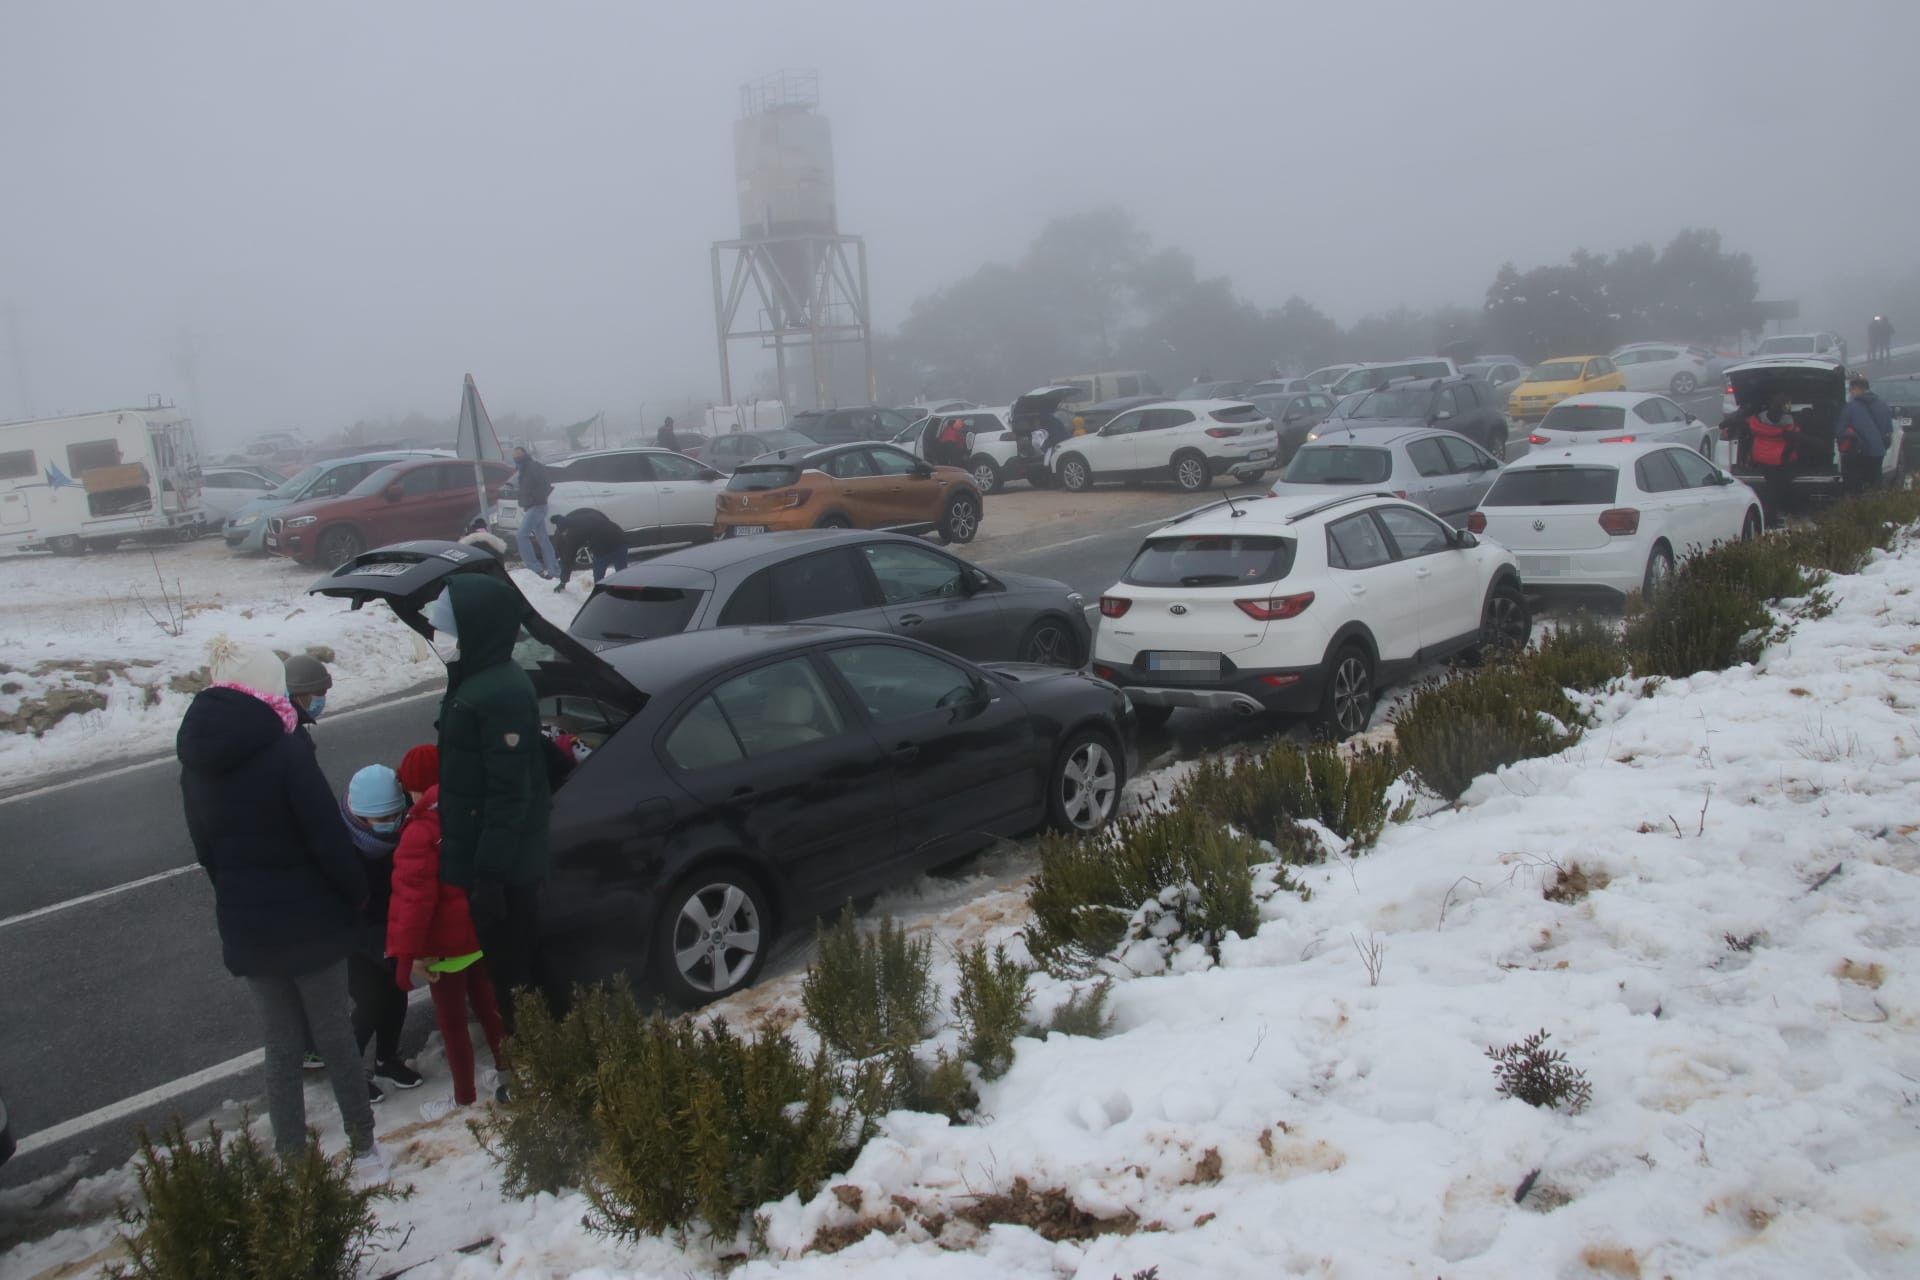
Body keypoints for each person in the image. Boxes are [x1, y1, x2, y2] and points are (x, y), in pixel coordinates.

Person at [177, 638, 386, 1179]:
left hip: (249, 926)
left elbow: (205, 851)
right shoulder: (285, 746)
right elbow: (324, 835)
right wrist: (356, 893)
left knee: (281, 1047)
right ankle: (364, 1148)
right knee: (334, 1036)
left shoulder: (195, 759)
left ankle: (294, 1161)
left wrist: (240, 893)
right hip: (310, 922)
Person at [425, 576, 550, 1035]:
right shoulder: (474, 680)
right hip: (490, 862)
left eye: (449, 629)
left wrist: (490, 875)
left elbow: (509, 793)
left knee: (514, 976)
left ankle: (532, 1066)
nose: (442, 640)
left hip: (506, 870)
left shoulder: (498, 693)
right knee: (504, 969)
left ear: (478, 628)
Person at [388, 747, 508, 1122]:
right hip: (479, 936)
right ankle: (511, 1074)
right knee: (492, 1011)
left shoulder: (419, 832)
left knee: (453, 1023)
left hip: (445, 951)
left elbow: (414, 904)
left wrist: (410, 958)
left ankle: (465, 1097)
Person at [341, 764, 424, 1100]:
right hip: (359, 935)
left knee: (397, 993)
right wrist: (385, 946)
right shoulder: (343, 849)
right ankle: (347, 1073)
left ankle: (387, 1058)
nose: (392, 823)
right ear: (359, 818)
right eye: (382, 819)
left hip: (393, 924)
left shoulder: (403, 832)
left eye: (396, 815)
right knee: (371, 1002)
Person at [1744, 390, 1801, 525]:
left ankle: (1769, 515)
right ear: (1784, 404)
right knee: (1776, 489)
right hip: (1778, 458)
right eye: (1789, 403)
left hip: (1762, 457)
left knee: (1770, 486)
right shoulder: (1787, 420)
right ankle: (1771, 518)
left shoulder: (1761, 417)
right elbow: (1792, 440)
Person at [1835, 374, 1894, 495]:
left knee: (1854, 489)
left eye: (1851, 390)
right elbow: (1888, 432)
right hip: (1878, 453)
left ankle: (1858, 510)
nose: (1851, 393)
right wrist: (1881, 447)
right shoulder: (1883, 406)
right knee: (1874, 486)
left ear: (1858, 389)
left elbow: (1841, 431)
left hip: (1856, 454)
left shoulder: (1850, 408)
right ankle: (1874, 509)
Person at [510, 446, 560, 580]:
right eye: (514, 457)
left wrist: (534, 499)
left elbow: (544, 485)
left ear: (525, 455)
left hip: (537, 506)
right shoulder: (523, 469)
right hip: (533, 506)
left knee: (521, 535)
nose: (516, 459)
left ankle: (535, 568)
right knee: (543, 539)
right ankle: (554, 570)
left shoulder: (532, 467)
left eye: (518, 456)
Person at [549, 509, 628, 590]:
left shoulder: (573, 534)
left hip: (604, 548)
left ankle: (600, 594)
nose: (564, 535)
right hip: (620, 539)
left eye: (564, 532)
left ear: (567, 529)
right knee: (622, 574)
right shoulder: (584, 516)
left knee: (599, 577)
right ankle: (628, 592)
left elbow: (568, 558)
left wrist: (563, 582)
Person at [284, 654, 332, 724]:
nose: (322, 698)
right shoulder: (276, 730)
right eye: (319, 692)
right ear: (297, 694)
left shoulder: (292, 724)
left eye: (324, 692)